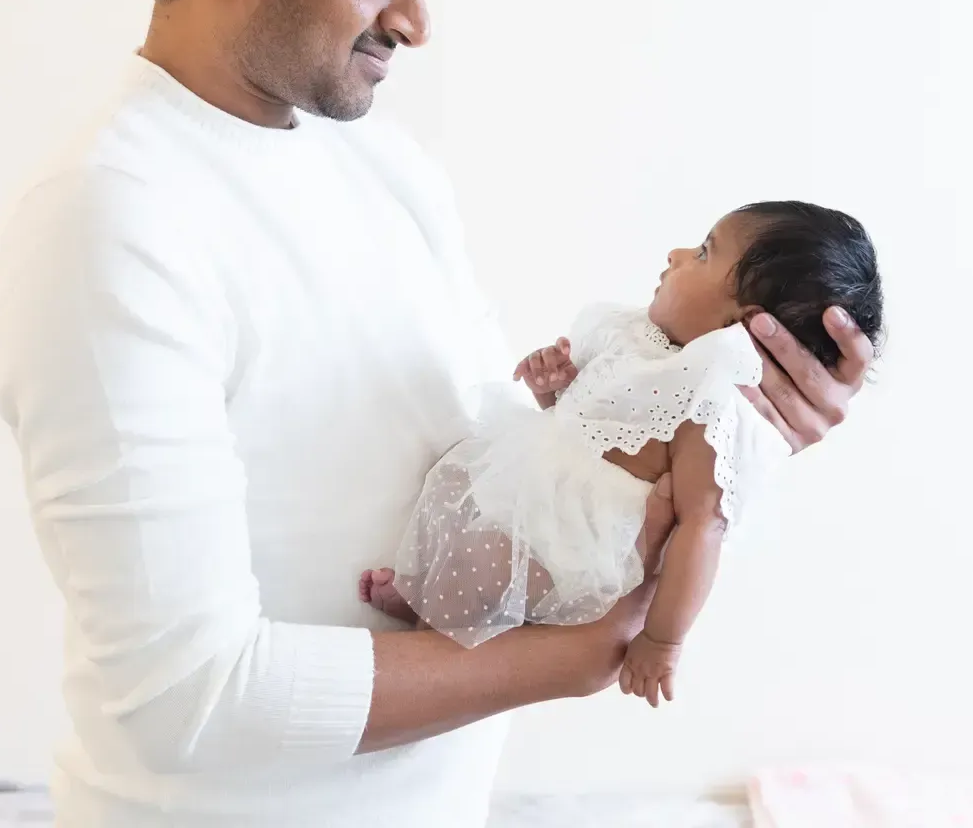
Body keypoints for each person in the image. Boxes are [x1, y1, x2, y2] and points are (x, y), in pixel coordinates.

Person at [0, 0, 875, 828]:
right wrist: (573, 659)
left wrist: (731, 421)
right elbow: (188, 697)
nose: (414, 21)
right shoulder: (111, 220)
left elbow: (505, 453)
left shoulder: (382, 168)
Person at [363, 201, 883, 708]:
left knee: (487, 557)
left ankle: (433, 626)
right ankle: (423, 585)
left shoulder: (712, 404)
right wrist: (556, 388)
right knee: (456, 487)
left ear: (745, 325)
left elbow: (704, 526)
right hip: (541, 475)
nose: (677, 254)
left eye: (704, 253)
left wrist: (662, 640)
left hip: (571, 544)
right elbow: (592, 421)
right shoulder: (640, 339)